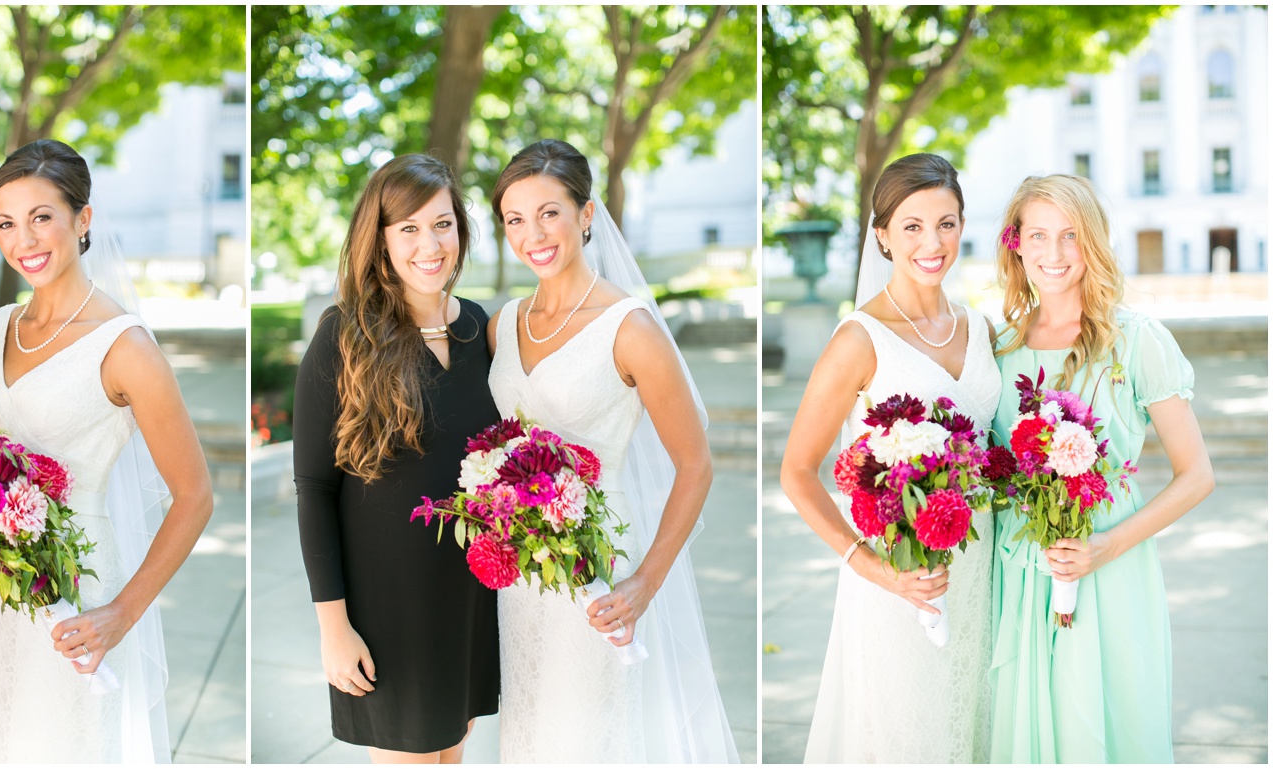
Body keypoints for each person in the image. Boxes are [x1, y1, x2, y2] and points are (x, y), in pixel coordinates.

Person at [485, 139, 737, 762]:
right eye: (514, 219)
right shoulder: (502, 324)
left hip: (600, 559)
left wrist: (644, 584)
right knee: (532, 726)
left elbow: (696, 465)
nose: (532, 234)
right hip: (521, 573)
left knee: (593, 733)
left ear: (587, 214)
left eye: (549, 212)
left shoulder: (631, 328)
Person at [0, 139, 213, 762]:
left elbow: (195, 496)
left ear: (83, 219)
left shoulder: (124, 346)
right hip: (4, 590)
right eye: (6, 223)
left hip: (83, 588)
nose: (24, 239)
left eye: (42, 216)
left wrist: (120, 615)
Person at [986, 174, 1212, 762]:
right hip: (1019, 567)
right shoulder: (998, 348)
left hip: (1110, 563)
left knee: (1106, 724)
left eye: (1070, 236)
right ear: (1016, 243)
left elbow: (1197, 475)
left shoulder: (1136, 341)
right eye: (1038, 236)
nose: (1054, 254)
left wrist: (1107, 547)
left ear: (1094, 242)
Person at [784, 154, 998, 762]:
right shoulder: (859, 337)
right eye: (912, 226)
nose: (933, 243)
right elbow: (797, 472)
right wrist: (877, 569)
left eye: (947, 223)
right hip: (899, 575)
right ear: (881, 236)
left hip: (979, 572)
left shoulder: (979, 328)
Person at [293, 153, 501, 763]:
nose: (429, 244)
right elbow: (314, 488)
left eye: (442, 224)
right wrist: (334, 629)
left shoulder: (480, 330)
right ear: (380, 241)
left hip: (466, 599)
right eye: (407, 228)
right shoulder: (344, 336)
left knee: (451, 756)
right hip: (386, 609)